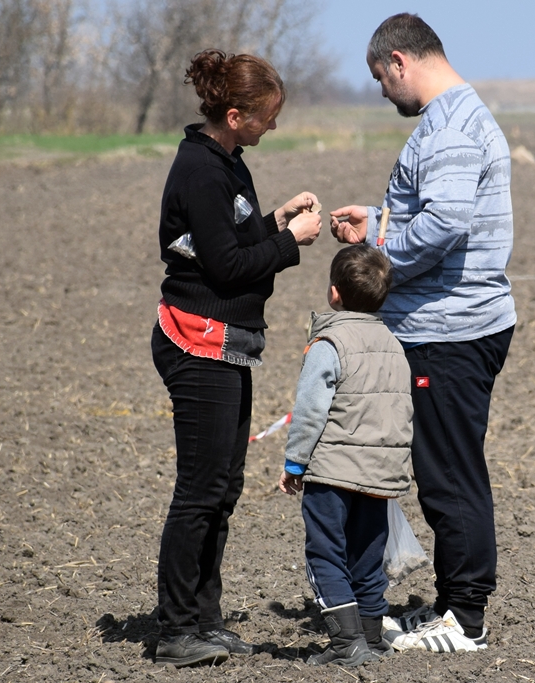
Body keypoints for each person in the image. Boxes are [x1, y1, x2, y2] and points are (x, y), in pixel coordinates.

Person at [329, 13, 516, 654]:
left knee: (448, 476)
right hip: (449, 324)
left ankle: (465, 620)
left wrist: (376, 255)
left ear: (400, 61)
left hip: (451, 330)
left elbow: (444, 226)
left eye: (381, 78)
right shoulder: (454, 120)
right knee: (445, 469)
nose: (383, 92)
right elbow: (432, 213)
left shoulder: (451, 127)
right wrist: (379, 223)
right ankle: (454, 604)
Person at [150, 48, 322, 668]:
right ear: (234, 114)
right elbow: (225, 268)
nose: (272, 127)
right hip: (198, 342)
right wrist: (289, 243)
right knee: (199, 490)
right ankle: (175, 630)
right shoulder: (200, 169)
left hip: (228, 345)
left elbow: (232, 235)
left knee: (223, 488)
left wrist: (276, 219)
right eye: (266, 118)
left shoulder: (228, 162)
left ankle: (205, 617)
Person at [278, 244, 413, 667]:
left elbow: (310, 409)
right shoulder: (395, 344)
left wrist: (295, 462)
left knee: (325, 553)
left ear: (333, 294)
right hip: (380, 473)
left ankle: (345, 644)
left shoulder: (329, 342)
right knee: (367, 556)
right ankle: (371, 638)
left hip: (333, 473)